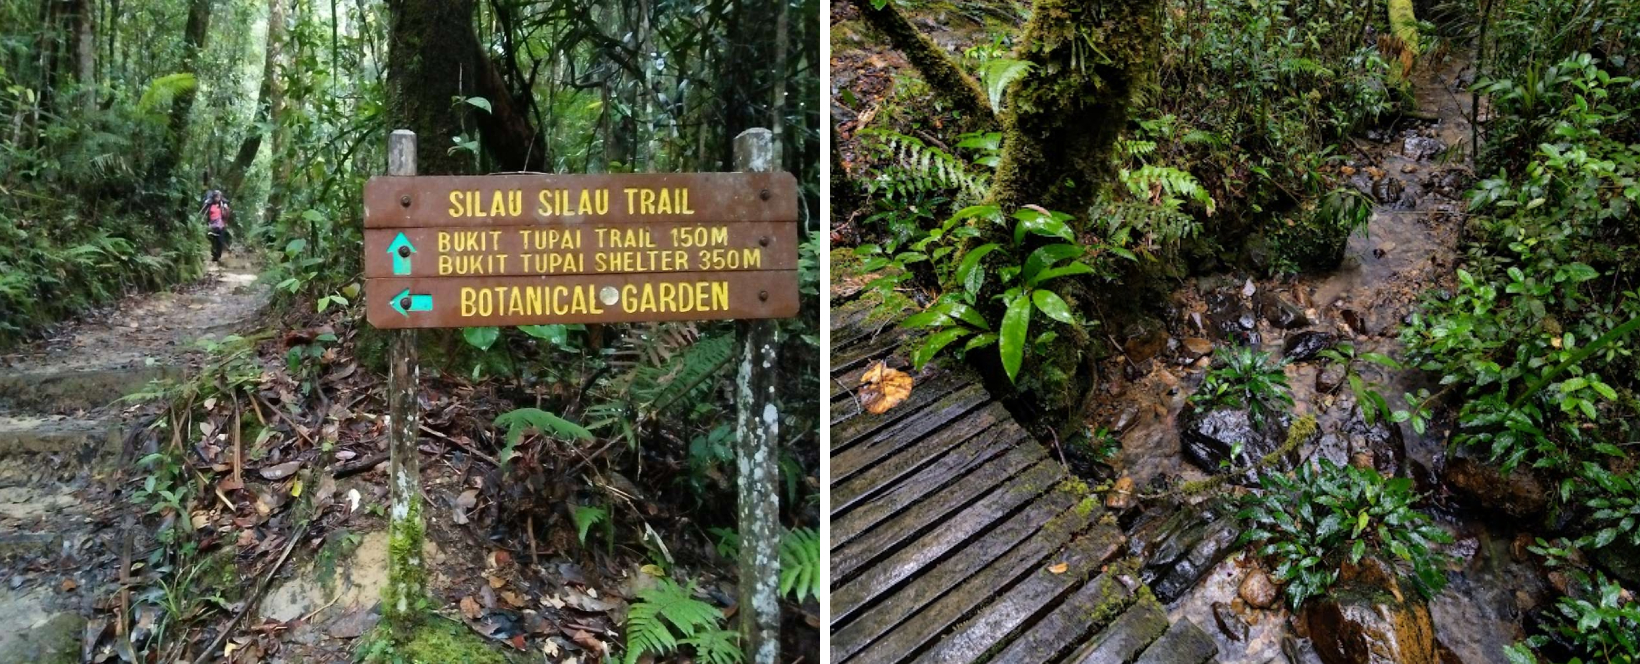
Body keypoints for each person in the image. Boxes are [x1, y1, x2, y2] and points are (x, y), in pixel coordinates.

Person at [201, 189, 232, 263]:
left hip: (221, 225)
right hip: (212, 225)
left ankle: (218, 256)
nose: (217, 198)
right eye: (216, 197)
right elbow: (205, 212)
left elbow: (227, 214)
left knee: (220, 241)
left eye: (218, 197)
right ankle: (214, 255)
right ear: (213, 197)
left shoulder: (223, 205)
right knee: (212, 240)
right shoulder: (210, 204)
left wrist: (226, 208)